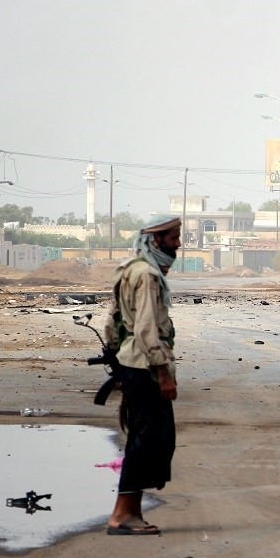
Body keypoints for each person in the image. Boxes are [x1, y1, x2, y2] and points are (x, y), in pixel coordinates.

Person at [102, 216, 181, 535]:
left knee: (147, 438)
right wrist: (163, 373)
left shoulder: (130, 268)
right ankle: (121, 515)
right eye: (173, 238)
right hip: (145, 367)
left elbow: (113, 321)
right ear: (156, 240)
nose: (178, 244)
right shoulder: (147, 275)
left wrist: (116, 363)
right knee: (146, 441)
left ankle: (132, 512)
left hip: (131, 364)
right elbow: (147, 328)